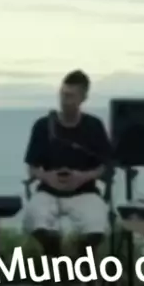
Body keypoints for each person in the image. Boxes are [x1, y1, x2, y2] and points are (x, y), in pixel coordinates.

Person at [22, 70, 111, 258]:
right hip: (49, 191)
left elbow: (105, 166)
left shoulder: (94, 126)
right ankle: (56, 261)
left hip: (84, 191)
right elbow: (32, 167)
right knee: (36, 217)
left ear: (83, 98)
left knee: (96, 225)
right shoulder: (43, 126)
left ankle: (82, 262)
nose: (64, 100)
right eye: (62, 94)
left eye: (70, 96)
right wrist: (47, 177)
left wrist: (83, 177)